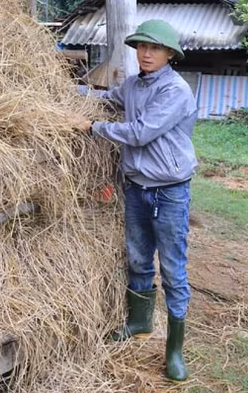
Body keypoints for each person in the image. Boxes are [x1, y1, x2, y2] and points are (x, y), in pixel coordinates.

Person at [74, 19, 198, 382]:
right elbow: (104, 98)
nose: (146, 53)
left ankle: (174, 350)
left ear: (170, 54)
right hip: (137, 187)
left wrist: (93, 127)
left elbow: (141, 133)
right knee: (139, 258)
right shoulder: (132, 85)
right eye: (142, 46)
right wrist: (65, 90)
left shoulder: (175, 90)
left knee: (173, 268)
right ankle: (140, 322)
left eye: (155, 48)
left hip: (169, 191)